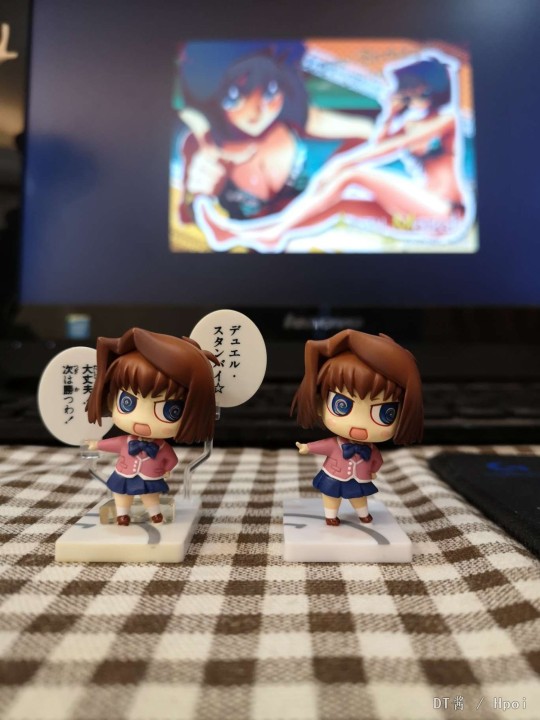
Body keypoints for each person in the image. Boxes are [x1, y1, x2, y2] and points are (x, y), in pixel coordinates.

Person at [86, 328, 217, 526]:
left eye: (170, 411)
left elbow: (172, 459)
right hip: (124, 474)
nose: (142, 421)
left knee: (150, 496)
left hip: (150, 476)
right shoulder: (126, 441)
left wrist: (167, 469)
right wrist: (96, 444)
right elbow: (111, 444)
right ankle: (122, 514)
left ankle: (155, 514)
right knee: (121, 494)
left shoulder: (161, 447)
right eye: (127, 402)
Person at [292, 330, 423, 526]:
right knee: (331, 495)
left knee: (358, 497)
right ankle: (331, 516)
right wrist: (307, 447)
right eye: (341, 405)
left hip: (359, 478)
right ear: (320, 404)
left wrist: (373, 470)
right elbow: (323, 445)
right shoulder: (336, 444)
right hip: (334, 475)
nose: (359, 427)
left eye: (385, 413)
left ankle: (363, 514)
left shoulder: (370, 449)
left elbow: (377, 460)